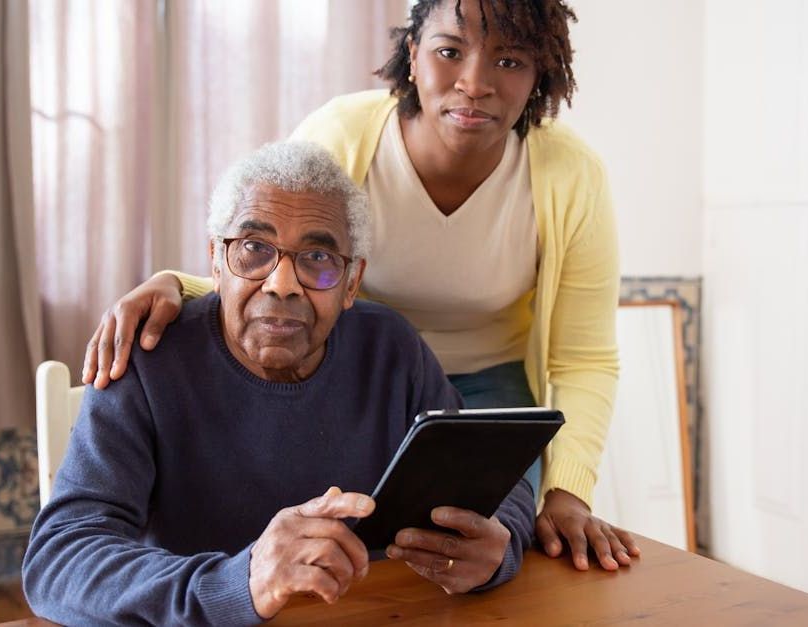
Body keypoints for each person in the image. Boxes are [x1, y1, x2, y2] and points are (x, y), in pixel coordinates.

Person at [82, 0, 639, 572]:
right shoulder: (346, 134)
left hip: (489, 386)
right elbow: (280, 246)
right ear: (413, 56)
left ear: (539, 75)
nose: (474, 83)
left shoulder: (571, 174)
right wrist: (181, 284)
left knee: (490, 552)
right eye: (450, 52)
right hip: (367, 377)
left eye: (510, 61)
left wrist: (566, 494)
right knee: (350, 548)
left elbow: (583, 357)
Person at [23, 142, 534, 626]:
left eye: (317, 258)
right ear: (216, 262)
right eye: (253, 248)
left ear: (352, 282)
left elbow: (495, 484)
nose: (282, 283)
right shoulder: (147, 358)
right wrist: (239, 582)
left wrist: (499, 547)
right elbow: (60, 560)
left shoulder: (391, 349)